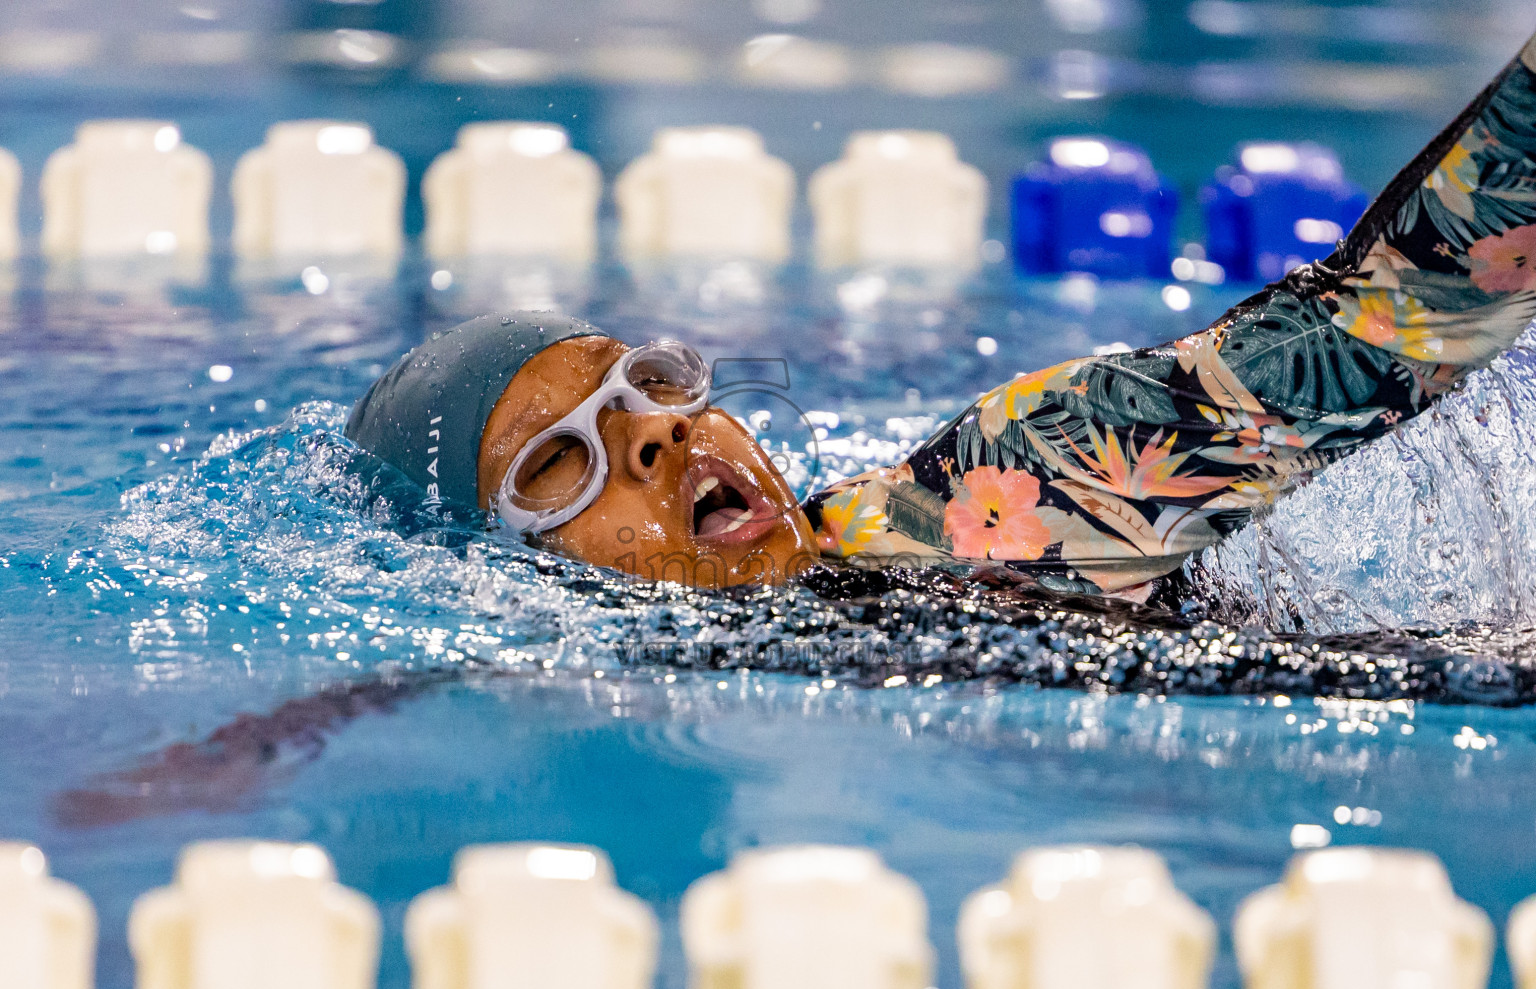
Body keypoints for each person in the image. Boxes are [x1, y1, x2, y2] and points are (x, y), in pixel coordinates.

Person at [347, 32, 1536, 601]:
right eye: (560, 465)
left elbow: (1387, 321)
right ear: (496, 577)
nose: (654, 438)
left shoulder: (1000, 498)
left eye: (648, 385)